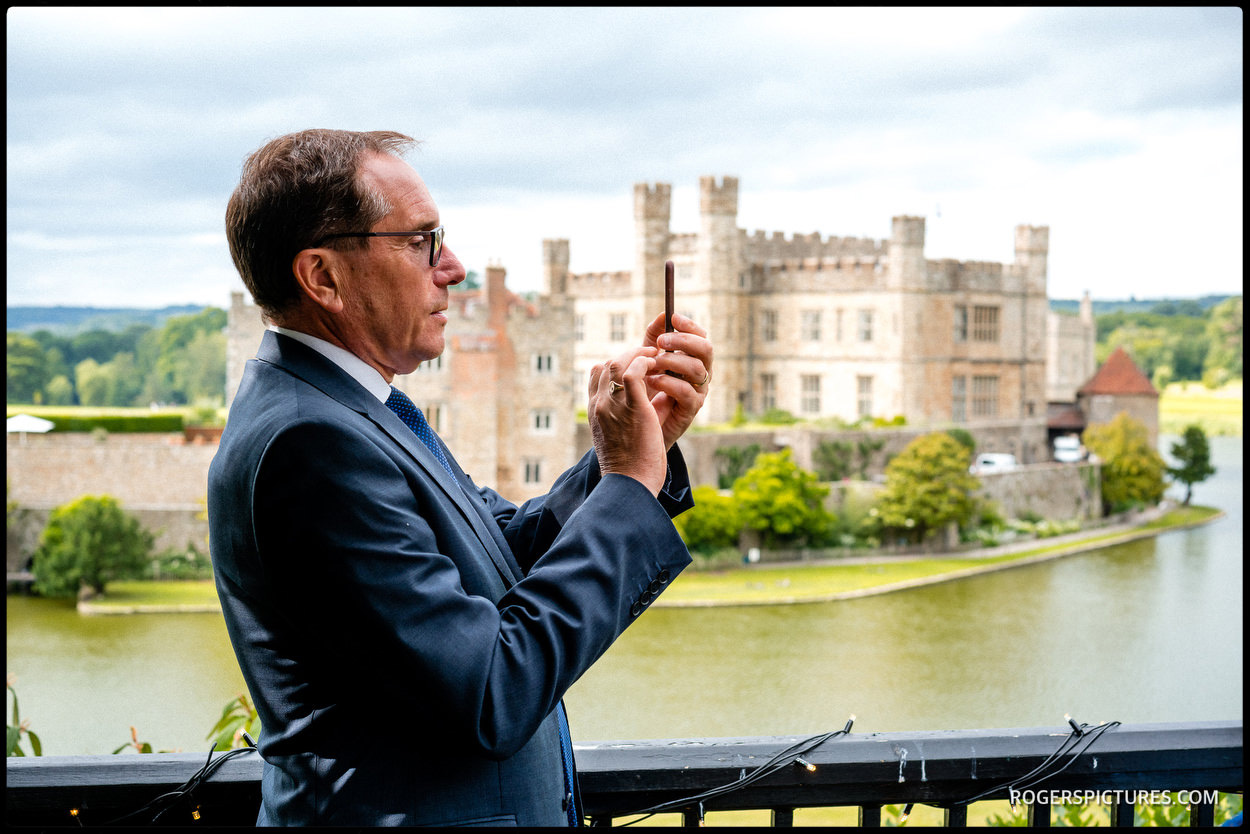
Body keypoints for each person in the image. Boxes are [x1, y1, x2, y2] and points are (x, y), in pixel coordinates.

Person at [208, 129, 713, 827]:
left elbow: (501, 553)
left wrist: (633, 453)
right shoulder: (310, 441)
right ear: (321, 276)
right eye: (419, 242)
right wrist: (628, 485)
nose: (452, 267)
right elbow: (491, 691)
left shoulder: (356, 409)